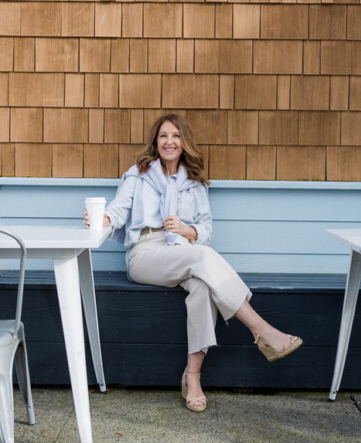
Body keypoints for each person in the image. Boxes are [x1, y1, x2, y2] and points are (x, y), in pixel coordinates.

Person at [84, 114, 303, 413]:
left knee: (202, 286)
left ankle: (193, 377)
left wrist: (187, 230)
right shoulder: (138, 174)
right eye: (163, 136)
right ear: (155, 142)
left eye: (175, 136)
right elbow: (118, 210)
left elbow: (206, 231)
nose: (169, 141)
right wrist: (103, 218)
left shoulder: (196, 183)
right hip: (145, 253)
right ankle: (262, 331)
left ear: (184, 142)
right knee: (202, 258)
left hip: (183, 251)